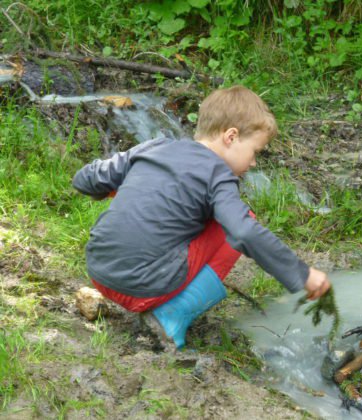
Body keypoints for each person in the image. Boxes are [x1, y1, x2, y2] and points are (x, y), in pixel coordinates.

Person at [72, 86, 331, 349]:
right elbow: (244, 232)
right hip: (145, 289)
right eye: (255, 151)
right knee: (239, 219)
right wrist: (302, 274)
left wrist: (128, 189)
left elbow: (84, 180)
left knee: (206, 214)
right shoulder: (219, 176)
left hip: (100, 271)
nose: (253, 163)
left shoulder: (154, 147)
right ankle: (171, 318)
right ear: (231, 136)